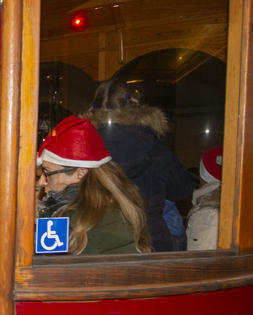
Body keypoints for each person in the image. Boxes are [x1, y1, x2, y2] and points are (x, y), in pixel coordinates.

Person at [81, 81, 194, 252]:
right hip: (152, 239)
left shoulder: (85, 145)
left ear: (93, 109)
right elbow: (182, 189)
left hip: (101, 239)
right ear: (135, 105)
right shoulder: (156, 146)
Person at [35, 116, 150, 255]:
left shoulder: (71, 220)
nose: (41, 182)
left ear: (81, 173)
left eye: (47, 173)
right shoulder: (117, 205)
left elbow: (48, 269)